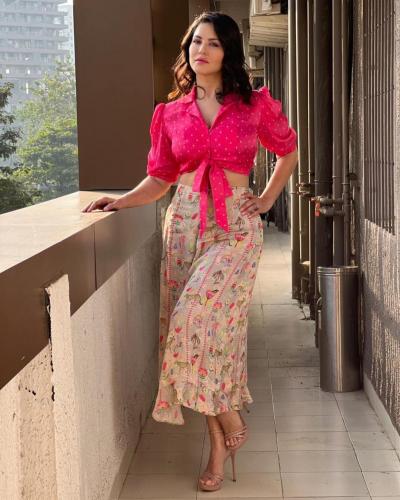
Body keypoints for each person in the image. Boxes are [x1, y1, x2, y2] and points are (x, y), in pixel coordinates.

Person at [82, 11, 298, 493]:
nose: (202, 50)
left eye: (214, 43)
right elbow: (160, 178)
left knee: (191, 322)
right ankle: (220, 444)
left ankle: (231, 419)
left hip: (235, 227)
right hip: (183, 222)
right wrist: (119, 201)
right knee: (209, 341)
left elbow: (289, 150)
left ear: (229, 51)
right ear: (187, 48)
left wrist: (266, 200)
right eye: (196, 41)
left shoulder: (252, 105)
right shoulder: (170, 113)